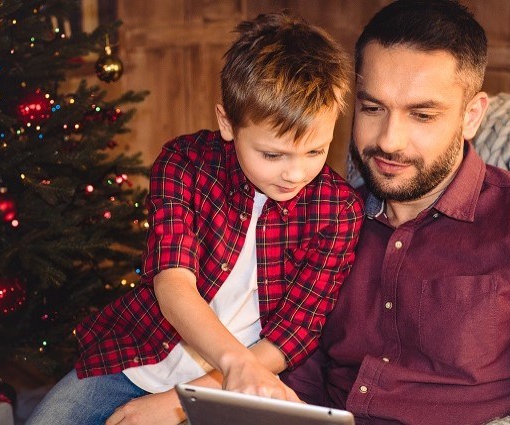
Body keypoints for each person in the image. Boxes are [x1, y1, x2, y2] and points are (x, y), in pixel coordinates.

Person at [280, 1, 510, 424]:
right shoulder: (320, 218)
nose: (390, 140)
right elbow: (292, 383)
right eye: (372, 108)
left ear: (471, 116)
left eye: (422, 114)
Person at [26, 12, 362, 425]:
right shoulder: (185, 163)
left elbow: (294, 333)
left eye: (315, 152)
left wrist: (181, 401)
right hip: (141, 355)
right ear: (228, 123)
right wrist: (233, 366)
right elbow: (172, 284)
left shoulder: (339, 209)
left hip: (239, 381)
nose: (294, 173)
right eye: (272, 155)